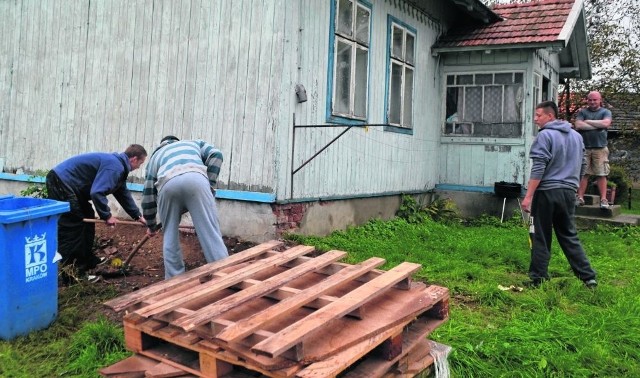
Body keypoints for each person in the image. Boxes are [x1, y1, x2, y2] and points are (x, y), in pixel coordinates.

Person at [521, 101, 597, 288]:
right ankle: (588, 277)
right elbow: (583, 166)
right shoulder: (577, 137)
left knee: (540, 234)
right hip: (568, 193)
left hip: (547, 192)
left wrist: (528, 196)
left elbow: (539, 167)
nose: (535, 119)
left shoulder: (545, 136)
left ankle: (538, 277)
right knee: (569, 235)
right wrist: (576, 189)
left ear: (550, 116)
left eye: (539, 115)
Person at [46, 144, 148, 279]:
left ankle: (87, 261)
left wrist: (138, 216)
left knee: (87, 217)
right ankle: (72, 274)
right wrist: (107, 215)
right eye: (140, 163)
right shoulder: (114, 167)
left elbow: (122, 193)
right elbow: (97, 192)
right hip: (61, 182)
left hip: (71, 187)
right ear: (134, 159)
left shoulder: (118, 167)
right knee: (73, 226)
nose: (139, 167)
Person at [142, 136, 228, 279]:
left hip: (167, 184)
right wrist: (210, 185)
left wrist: (151, 225)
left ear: (162, 144)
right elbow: (216, 154)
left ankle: (174, 279)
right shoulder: (193, 143)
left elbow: (148, 196)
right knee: (209, 229)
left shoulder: (156, 157)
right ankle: (223, 271)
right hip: (196, 178)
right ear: (177, 141)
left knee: (169, 232)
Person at [574, 91, 612, 209]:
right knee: (584, 173)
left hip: (600, 148)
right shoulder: (582, 112)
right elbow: (578, 125)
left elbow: (606, 123)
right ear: (587, 100)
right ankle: (580, 198)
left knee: (601, 174)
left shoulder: (606, 112)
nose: (592, 102)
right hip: (584, 148)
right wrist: (598, 125)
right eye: (590, 100)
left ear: (600, 100)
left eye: (595, 100)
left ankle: (604, 200)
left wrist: (588, 122)